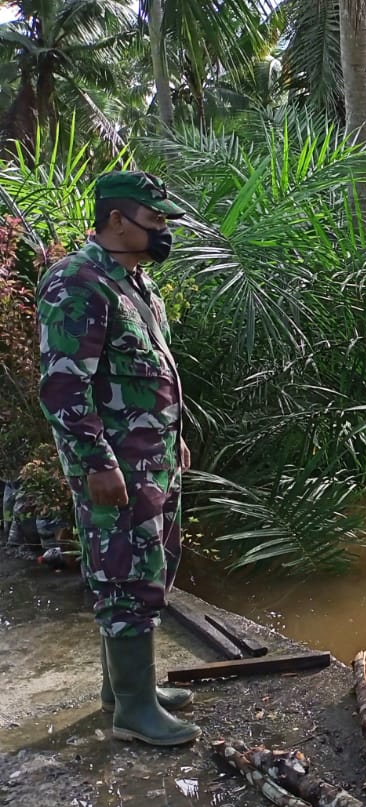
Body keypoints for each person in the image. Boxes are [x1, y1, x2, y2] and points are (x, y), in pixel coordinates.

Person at [37, 171, 200, 747]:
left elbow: (147, 374)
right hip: (116, 468)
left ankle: (128, 688)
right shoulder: (78, 282)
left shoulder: (135, 284)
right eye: (154, 222)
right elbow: (63, 387)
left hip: (151, 459)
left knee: (150, 568)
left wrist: (172, 436)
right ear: (116, 221)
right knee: (125, 574)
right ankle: (133, 711)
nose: (163, 233)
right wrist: (95, 462)